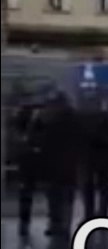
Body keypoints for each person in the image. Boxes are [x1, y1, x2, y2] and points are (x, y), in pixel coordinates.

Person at [34, 92, 81, 236]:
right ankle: (64, 225)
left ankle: (57, 224)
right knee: (65, 197)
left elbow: (41, 140)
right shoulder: (74, 120)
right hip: (69, 165)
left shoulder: (50, 121)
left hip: (54, 165)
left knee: (55, 198)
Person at [77, 94, 108, 221]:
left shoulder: (81, 118)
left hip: (88, 157)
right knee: (103, 187)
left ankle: (89, 213)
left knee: (88, 187)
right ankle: (102, 212)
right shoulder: (105, 118)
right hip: (103, 157)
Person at [15, 98, 47, 239]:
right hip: (37, 162)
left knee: (25, 194)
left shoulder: (20, 123)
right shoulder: (41, 123)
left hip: (26, 164)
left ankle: (24, 223)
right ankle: (53, 222)